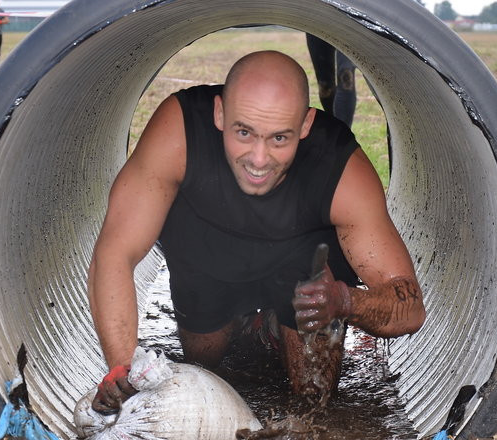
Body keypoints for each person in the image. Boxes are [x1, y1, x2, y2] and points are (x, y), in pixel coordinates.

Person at [88, 51, 425, 414]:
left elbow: (410, 308)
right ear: (220, 114)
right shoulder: (179, 132)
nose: (259, 160)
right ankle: (253, 326)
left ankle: (277, 329)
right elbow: (115, 253)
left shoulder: (342, 171)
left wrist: (342, 301)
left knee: (313, 397)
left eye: (280, 138)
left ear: (307, 125)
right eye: (244, 133)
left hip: (303, 266)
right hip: (206, 249)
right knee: (205, 360)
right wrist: (122, 371)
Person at [305, 34, 357, 128]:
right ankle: (333, 131)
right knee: (325, 86)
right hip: (320, 22)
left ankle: (344, 135)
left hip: (348, 23)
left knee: (346, 78)